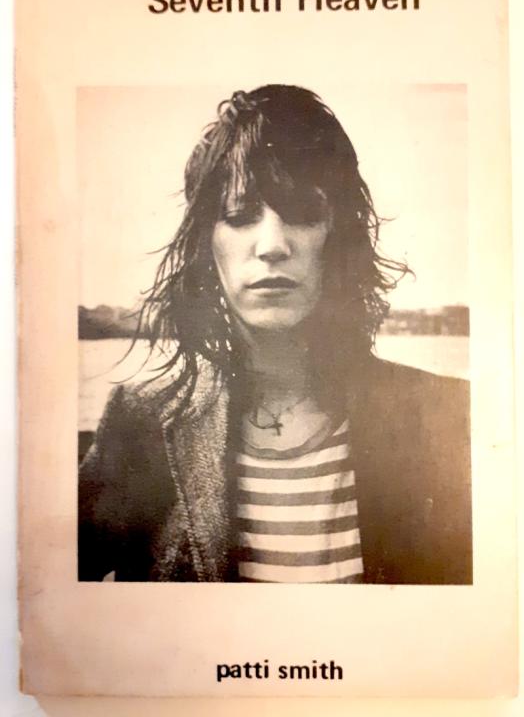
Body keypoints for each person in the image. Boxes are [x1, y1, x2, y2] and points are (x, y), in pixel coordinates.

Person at [79, 84, 472, 584]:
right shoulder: (140, 422)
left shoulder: (447, 415)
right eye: (239, 216)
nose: (272, 245)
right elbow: (47, 597)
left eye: (303, 213)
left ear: (339, 239)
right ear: (206, 247)